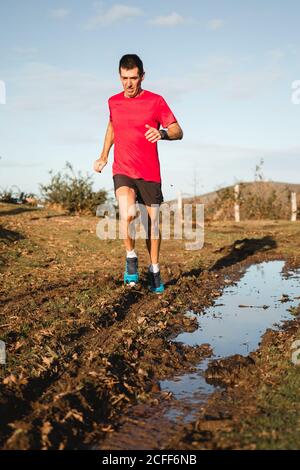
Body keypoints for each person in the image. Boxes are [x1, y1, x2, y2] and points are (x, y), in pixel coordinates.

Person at [93, 54, 183, 293]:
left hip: (150, 173)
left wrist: (162, 134)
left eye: (134, 78)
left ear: (142, 76)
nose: (129, 84)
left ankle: (154, 269)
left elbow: (177, 130)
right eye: (124, 78)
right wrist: (103, 156)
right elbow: (112, 126)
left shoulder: (156, 101)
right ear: (119, 76)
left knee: (152, 225)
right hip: (122, 169)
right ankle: (131, 260)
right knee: (128, 213)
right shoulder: (113, 101)